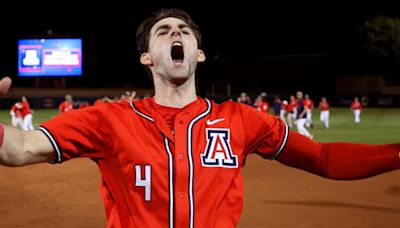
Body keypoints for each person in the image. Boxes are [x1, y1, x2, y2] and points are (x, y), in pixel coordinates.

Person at [0, 8, 400, 228]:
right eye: (163, 31)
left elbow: (324, 160)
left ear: (199, 53)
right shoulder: (108, 118)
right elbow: (18, 149)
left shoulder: (243, 119)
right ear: (147, 57)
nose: (176, 33)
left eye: (184, 31)